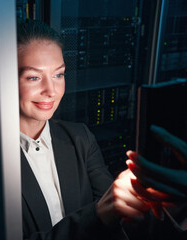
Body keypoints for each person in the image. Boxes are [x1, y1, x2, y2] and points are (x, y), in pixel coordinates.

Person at [17, 19, 185, 240]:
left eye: (59, 74)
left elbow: (120, 222)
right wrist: (100, 212)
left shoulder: (80, 138)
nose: (51, 90)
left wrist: (155, 199)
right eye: (33, 77)